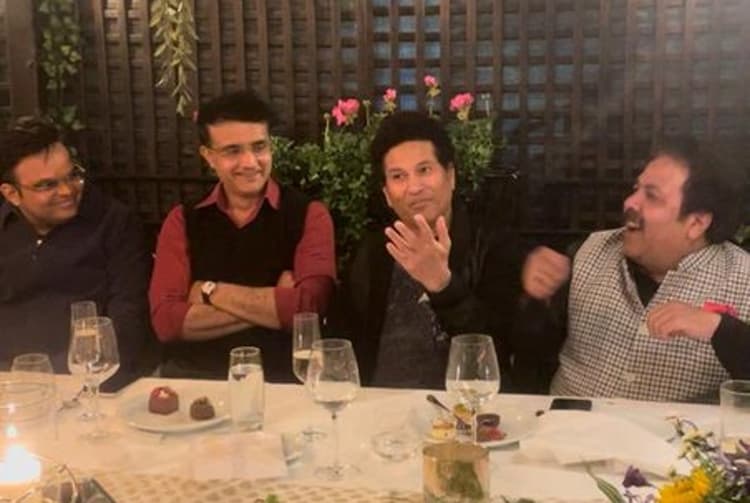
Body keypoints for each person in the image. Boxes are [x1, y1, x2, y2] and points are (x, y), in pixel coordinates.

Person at [515, 139, 750, 402]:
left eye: (652, 196)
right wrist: (537, 299)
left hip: (675, 428)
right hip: (569, 421)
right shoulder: (588, 251)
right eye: (636, 189)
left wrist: (720, 329)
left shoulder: (744, 280)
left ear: (696, 223)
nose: (630, 202)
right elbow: (530, 352)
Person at [149, 90, 336, 381]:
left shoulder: (309, 214)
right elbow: (167, 322)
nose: (250, 162)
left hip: (283, 384)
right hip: (195, 380)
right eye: (232, 151)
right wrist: (275, 302)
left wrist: (209, 293)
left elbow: (308, 308)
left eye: (259, 147)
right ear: (209, 157)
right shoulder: (182, 220)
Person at [338, 111, 522, 389]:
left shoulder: (492, 246)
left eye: (424, 170)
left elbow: (497, 355)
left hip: (463, 407)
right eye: (398, 176)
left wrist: (442, 285)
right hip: (378, 406)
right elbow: (341, 344)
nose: (414, 187)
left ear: (451, 176)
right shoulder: (373, 252)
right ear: (387, 195)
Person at [0, 116, 152, 390]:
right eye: (47, 185)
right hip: (8, 385)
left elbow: (129, 319)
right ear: (11, 194)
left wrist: (72, 383)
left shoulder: (113, 222)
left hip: (91, 384)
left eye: (73, 175)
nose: (67, 191)